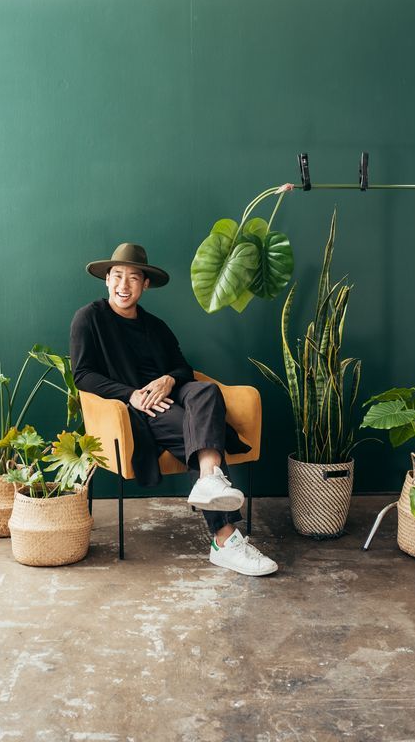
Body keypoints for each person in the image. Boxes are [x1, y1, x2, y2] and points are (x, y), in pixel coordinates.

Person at [70, 242, 278, 577]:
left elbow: (183, 369)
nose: (124, 285)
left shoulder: (156, 326)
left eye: (133, 278)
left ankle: (210, 481)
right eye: (118, 276)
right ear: (107, 280)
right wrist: (131, 395)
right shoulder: (89, 319)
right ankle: (225, 541)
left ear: (145, 284)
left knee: (207, 390)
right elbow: (83, 375)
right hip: (137, 412)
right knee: (195, 430)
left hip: (172, 396)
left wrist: (167, 380)